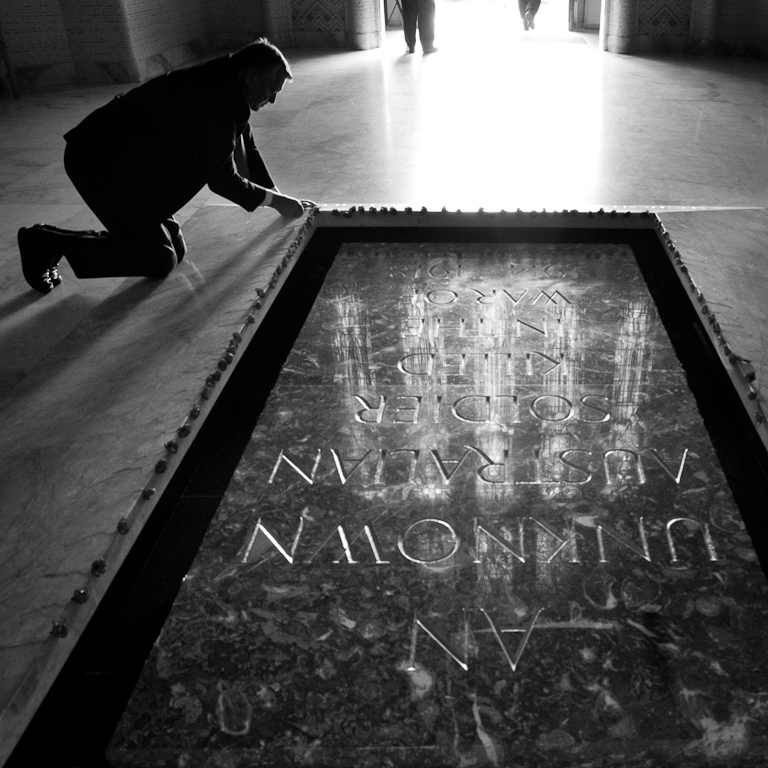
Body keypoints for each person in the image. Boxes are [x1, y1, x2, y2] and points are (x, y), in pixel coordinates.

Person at [18, 38, 312, 294]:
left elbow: (246, 145)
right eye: (271, 89)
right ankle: (44, 242)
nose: (272, 100)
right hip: (98, 161)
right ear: (250, 76)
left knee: (175, 249)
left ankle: (92, 238)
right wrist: (276, 202)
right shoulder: (213, 100)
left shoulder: (227, 79)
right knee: (158, 260)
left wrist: (281, 196)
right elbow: (223, 180)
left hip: (134, 166)